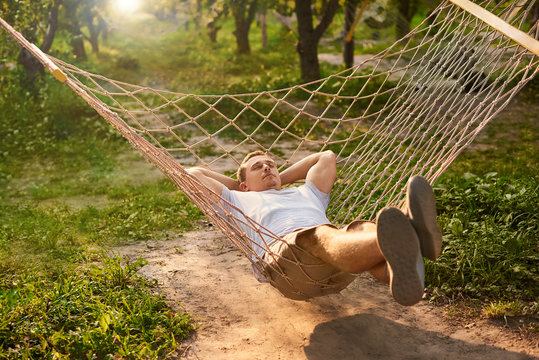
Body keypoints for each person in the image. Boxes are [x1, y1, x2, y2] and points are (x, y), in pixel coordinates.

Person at [186, 150, 442, 306]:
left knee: (359, 228)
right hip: (287, 265)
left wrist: (276, 179)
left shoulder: (307, 192)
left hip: (340, 262)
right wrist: (242, 186)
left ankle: (393, 267)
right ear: (242, 186)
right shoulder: (236, 200)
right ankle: (409, 235)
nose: (267, 167)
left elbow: (325, 157)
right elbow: (192, 174)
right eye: (258, 167)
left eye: (271, 164)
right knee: (318, 236)